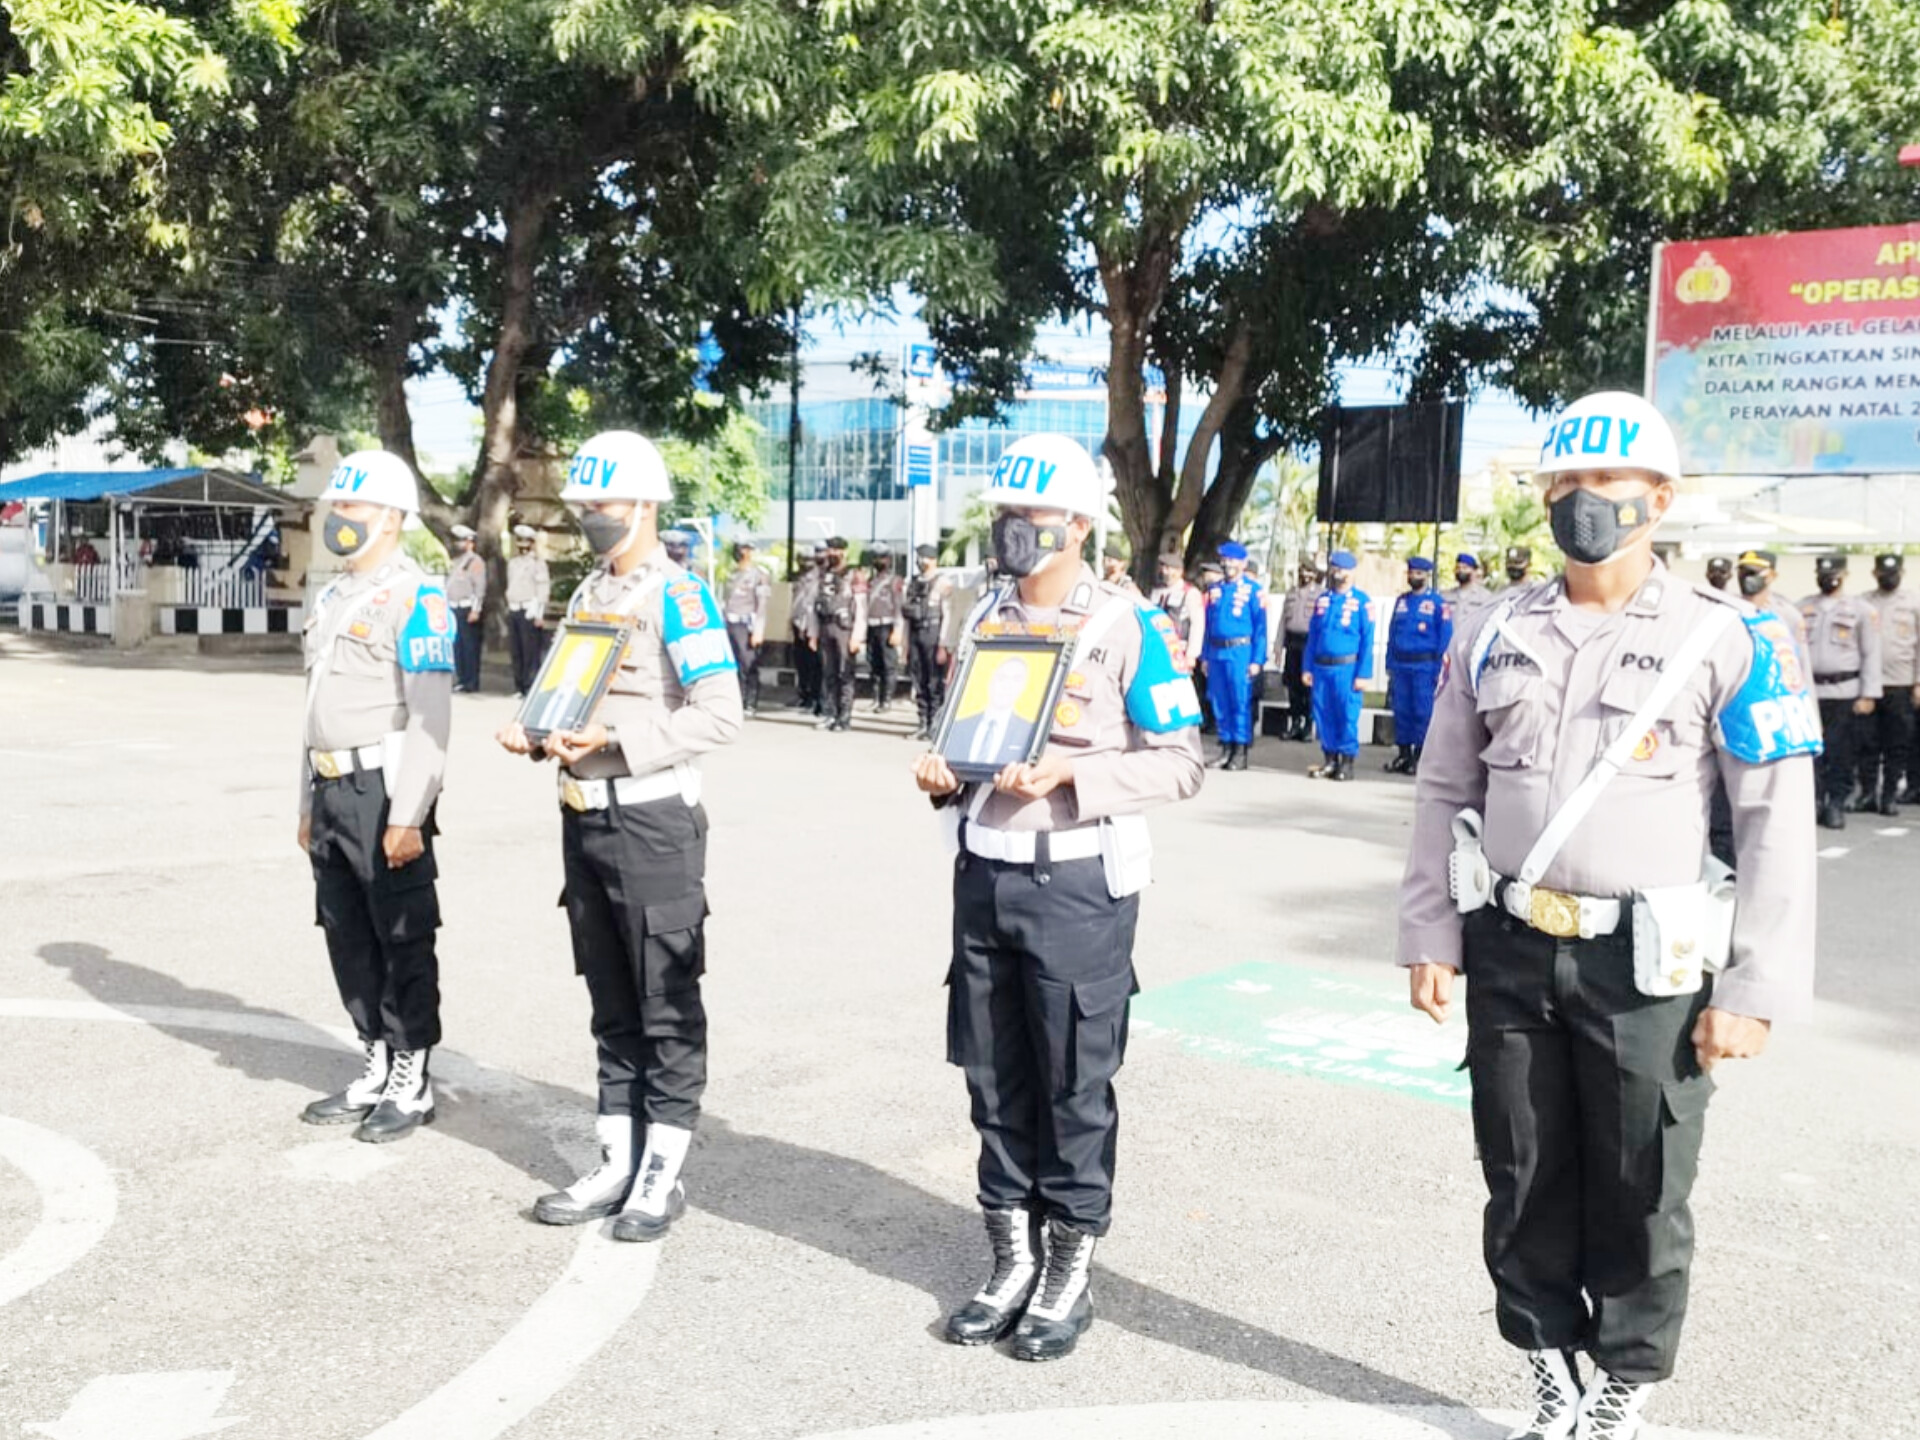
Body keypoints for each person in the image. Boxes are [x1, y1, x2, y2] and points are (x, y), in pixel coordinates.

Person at [1399, 391, 1818, 1440]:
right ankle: (1550, 1364)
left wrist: (1755, 987)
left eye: (1607, 486)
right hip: (1507, 943)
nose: (1581, 504)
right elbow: (1443, 791)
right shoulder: (1490, 626)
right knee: (1522, 1168)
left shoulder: (1730, 639)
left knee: (1644, 1181)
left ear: (1661, 500)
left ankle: (1624, 1379)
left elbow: (1774, 823)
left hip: (1651, 961)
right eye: (1564, 486)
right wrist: (1428, 935)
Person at [911, 433, 1203, 1362]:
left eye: (1032, 518)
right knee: (992, 1073)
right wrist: (941, 774)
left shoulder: (1125, 626)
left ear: (1078, 525)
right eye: (1005, 515)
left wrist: (1073, 786)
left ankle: (1069, 1268)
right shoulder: (983, 615)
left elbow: (1182, 762)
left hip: (1076, 881)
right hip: (983, 869)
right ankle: (1007, 1257)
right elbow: (964, 735)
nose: (1013, 532)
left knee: (1073, 1080)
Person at [496, 430, 742, 1240]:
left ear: (642, 505)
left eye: (601, 504)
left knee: (664, 1001)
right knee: (609, 998)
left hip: (651, 818)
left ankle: (661, 1172)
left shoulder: (682, 596)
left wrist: (613, 744)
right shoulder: (588, 595)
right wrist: (538, 732)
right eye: (585, 505)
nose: (591, 517)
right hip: (584, 816)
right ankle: (615, 1156)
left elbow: (720, 714)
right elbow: (565, 696)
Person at [297, 450, 455, 1144]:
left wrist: (410, 812)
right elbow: (309, 708)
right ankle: (374, 1056)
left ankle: (412, 1074)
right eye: (339, 506)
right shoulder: (331, 596)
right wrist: (304, 801)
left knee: (401, 934)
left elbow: (430, 716)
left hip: (383, 788)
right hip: (330, 785)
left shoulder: (418, 598)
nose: (341, 517)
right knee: (346, 933)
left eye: (354, 507)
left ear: (391, 518)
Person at [1800, 554, 1882, 830]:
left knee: (1840, 753)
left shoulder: (1861, 610)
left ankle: (1836, 802)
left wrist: (1868, 694)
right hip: (1810, 693)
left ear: (1844, 575)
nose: (1828, 577)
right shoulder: (1803, 608)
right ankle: (1815, 802)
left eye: (1833, 572)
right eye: (1822, 572)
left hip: (1845, 693)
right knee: (1811, 754)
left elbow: (1871, 653)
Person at [1303, 551, 1374, 781]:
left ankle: (1347, 761)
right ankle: (1330, 760)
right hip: (1322, 667)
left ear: (1352, 572)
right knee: (1323, 713)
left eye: (1342, 569)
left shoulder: (1362, 602)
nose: (1337, 573)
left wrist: (1363, 673)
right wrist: (1307, 667)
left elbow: (1367, 640)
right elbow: (1313, 637)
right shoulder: (1323, 600)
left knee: (1346, 714)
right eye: (1334, 568)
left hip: (1347, 667)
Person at [1858, 553, 1918, 816]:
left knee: (1897, 744)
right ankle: (1869, 793)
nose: (1888, 577)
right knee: (1867, 743)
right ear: (1875, 573)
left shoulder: (1913, 602)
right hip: (1868, 685)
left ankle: (1890, 795)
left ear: (1902, 573)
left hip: (1901, 683)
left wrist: (1918, 682)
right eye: (1884, 573)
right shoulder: (1862, 603)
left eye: (1894, 573)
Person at [1202, 541, 1267, 771]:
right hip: (1217, 651)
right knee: (1219, 701)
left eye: (1232, 560)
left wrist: (1257, 660)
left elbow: (1261, 629)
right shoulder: (1215, 590)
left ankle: (1240, 751)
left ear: (1243, 563)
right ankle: (1225, 747)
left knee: (1239, 701)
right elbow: (1208, 626)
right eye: (1225, 560)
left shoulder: (1253, 591)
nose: (1227, 564)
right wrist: (1205, 657)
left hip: (1241, 651)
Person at [1383, 556, 1451, 774]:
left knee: (1422, 712)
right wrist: (1389, 662)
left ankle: (1420, 756)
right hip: (1401, 665)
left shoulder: (1438, 603)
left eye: (1419, 574)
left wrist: (1439, 669)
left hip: (1425, 666)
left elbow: (1445, 637)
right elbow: (1392, 633)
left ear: (1427, 576)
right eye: (1411, 573)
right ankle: (1403, 754)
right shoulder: (1401, 601)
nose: (1414, 577)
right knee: (1401, 710)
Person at [812, 536, 866, 732]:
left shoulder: (854, 574)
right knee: (828, 674)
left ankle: (844, 717)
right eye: (829, 550)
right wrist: (813, 633)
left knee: (845, 674)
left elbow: (861, 607)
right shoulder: (823, 574)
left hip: (845, 629)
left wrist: (857, 636)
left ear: (844, 551)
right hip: (826, 627)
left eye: (836, 550)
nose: (832, 553)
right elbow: (815, 604)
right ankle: (830, 713)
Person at [946, 655, 1039, 770]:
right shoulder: (959, 726)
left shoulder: (1029, 732)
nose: (1007, 686)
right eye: (1002, 678)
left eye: (1016, 680)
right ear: (990, 680)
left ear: (1023, 686)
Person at [903, 543, 953, 741]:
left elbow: (947, 614)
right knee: (919, 679)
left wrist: (943, 644)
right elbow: (906, 616)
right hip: (915, 632)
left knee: (934, 681)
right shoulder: (913, 583)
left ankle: (936, 724)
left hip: (933, 633)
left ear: (933, 559)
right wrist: (905, 644)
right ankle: (922, 722)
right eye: (918, 557)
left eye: (923, 557)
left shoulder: (943, 582)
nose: (920, 561)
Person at [723, 539, 772, 716]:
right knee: (733, 665)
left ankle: (750, 702)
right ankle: (736, 699)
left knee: (748, 664)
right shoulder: (731, 574)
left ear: (749, 551)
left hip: (747, 624)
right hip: (730, 623)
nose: (739, 552)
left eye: (743, 549)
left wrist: (758, 631)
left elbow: (762, 605)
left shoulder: (759, 575)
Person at [1276, 561, 1322, 741]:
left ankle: (1308, 726)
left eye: (1309, 572)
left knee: (1308, 687)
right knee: (1292, 685)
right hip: (1292, 643)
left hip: (1310, 644)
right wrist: (1278, 647)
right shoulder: (1291, 593)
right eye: (1302, 571)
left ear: (1315, 575)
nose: (1305, 575)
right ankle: (1295, 723)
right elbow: (1282, 622)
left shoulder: (1321, 594)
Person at [505, 524, 551, 698]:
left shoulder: (538, 564)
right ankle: (519, 686)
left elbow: (542, 589)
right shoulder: (513, 563)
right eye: (520, 542)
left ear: (532, 544)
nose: (522, 546)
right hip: (515, 607)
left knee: (530, 651)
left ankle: (530, 686)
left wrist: (540, 614)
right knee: (516, 651)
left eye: (526, 543)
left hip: (529, 609)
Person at [1149, 552, 1207, 676]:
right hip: (1156, 648)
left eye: (1169, 568)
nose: (1165, 572)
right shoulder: (1156, 591)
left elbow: (1197, 625)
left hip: (1178, 649)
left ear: (1180, 571)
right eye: (1163, 567)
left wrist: (1192, 654)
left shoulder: (1190, 593)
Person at [446, 523, 487, 694]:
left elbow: (479, 587)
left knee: (470, 647)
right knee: (458, 647)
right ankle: (462, 679)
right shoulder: (456, 562)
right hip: (454, 607)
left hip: (467, 608)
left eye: (463, 541)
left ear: (470, 543)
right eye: (458, 541)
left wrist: (476, 610)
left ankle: (471, 681)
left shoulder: (475, 562)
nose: (459, 545)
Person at [865, 547, 906, 713]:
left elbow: (899, 606)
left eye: (882, 558)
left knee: (888, 665)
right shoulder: (871, 582)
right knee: (874, 664)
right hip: (872, 626)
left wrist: (898, 630)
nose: (879, 562)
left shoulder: (894, 581)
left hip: (887, 625)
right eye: (876, 558)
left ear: (889, 560)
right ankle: (876, 698)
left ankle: (886, 700)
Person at [791, 546, 825, 714]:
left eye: (807, 560)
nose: (804, 563)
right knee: (801, 663)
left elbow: (812, 605)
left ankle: (815, 698)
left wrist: (812, 629)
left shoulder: (819, 579)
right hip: (798, 624)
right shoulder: (800, 579)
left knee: (814, 665)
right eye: (802, 560)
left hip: (812, 625)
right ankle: (803, 696)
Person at [1443, 552, 1494, 620]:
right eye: (1458, 568)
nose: (1461, 571)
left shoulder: (1485, 597)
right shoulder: (1446, 596)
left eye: (1465, 568)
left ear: (1474, 571)